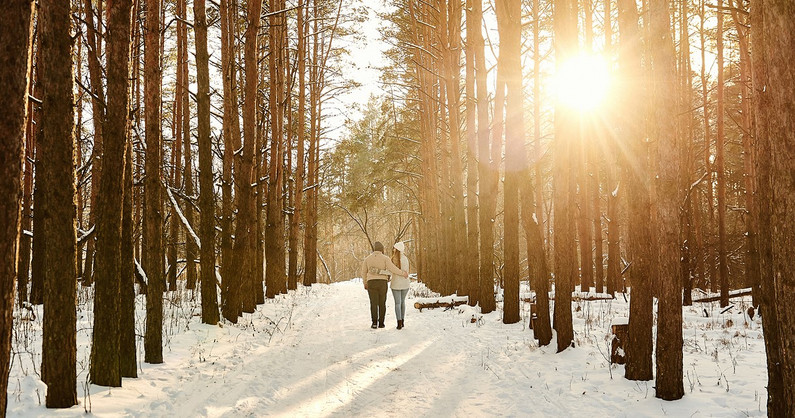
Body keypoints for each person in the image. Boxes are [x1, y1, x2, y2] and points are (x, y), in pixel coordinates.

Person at [361, 241, 407, 329]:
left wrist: (365, 282)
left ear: (374, 249)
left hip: (371, 282)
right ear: (382, 249)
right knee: (382, 303)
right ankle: (381, 323)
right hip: (382, 282)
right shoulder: (385, 258)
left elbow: (363, 272)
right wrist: (402, 273)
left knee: (373, 303)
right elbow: (393, 269)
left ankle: (374, 323)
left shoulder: (367, 259)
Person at [389, 241, 410, 330]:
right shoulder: (405, 259)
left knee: (397, 303)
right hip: (405, 284)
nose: (393, 249)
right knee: (402, 302)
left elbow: (391, 271)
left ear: (396, 249)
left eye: (394, 248)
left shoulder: (393, 259)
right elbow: (407, 272)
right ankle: (403, 321)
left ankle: (399, 322)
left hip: (396, 284)